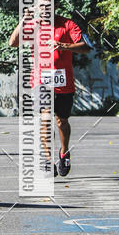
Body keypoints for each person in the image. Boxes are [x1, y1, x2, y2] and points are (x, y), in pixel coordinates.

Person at [9, 9, 89, 176]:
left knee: (62, 121)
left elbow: (85, 47)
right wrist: (23, 20)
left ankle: (64, 152)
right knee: (45, 119)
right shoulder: (33, 25)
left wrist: (63, 46)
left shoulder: (68, 24)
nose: (45, 10)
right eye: (42, 6)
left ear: (54, 6)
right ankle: (47, 159)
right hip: (40, 81)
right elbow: (13, 42)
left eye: (48, 6)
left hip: (63, 82)